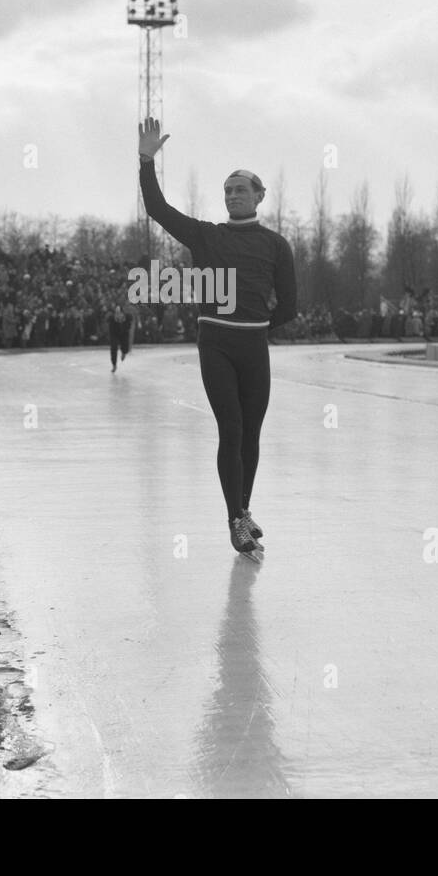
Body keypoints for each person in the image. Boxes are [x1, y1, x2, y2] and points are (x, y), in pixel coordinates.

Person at [138, 116, 297, 555]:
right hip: (217, 344)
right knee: (231, 428)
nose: (232, 197)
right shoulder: (207, 236)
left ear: (259, 196)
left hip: (254, 346)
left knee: (252, 435)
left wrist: (260, 323)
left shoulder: (276, 246)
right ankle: (234, 520)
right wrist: (146, 160)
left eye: (240, 190)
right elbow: (158, 210)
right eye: (227, 191)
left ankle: (244, 510)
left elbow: (290, 305)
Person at [108, 303, 132, 372]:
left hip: (124, 333)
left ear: (122, 313)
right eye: (116, 313)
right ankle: (114, 365)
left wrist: (125, 324)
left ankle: (124, 352)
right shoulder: (111, 319)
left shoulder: (128, 317)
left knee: (125, 347)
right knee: (113, 347)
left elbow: (130, 322)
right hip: (114, 334)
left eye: (119, 313)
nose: (118, 315)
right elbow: (111, 331)